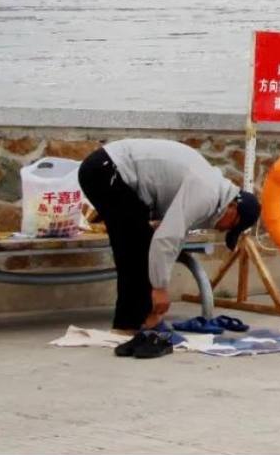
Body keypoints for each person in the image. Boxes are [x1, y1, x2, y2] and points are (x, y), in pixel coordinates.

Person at [78, 139, 260, 332]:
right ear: (233, 207)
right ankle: (129, 325)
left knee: (139, 242)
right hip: (107, 170)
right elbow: (166, 238)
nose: (222, 230)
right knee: (136, 249)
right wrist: (160, 288)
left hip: (108, 171)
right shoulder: (207, 193)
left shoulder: (213, 192)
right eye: (230, 226)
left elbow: (174, 236)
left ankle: (141, 319)